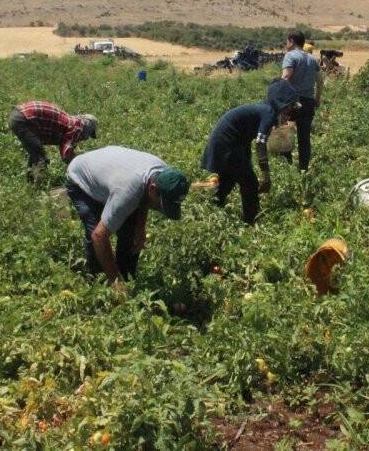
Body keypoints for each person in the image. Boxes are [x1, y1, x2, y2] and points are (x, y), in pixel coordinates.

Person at [65, 146, 189, 291]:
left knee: (130, 233)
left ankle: (127, 277)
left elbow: (145, 197)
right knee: (95, 232)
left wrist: (140, 227)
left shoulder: (165, 175)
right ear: (154, 189)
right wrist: (116, 282)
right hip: (81, 180)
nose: (161, 209)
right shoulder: (127, 191)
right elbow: (99, 237)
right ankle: (99, 285)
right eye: (161, 205)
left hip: (110, 175)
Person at [201, 79, 301, 224]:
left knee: (230, 178)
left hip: (230, 143)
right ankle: (250, 221)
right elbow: (260, 142)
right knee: (249, 183)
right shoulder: (269, 112)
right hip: (227, 144)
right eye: (289, 108)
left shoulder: (266, 109)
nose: (289, 113)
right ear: (281, 103)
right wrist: (266, 175)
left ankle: (212, 211)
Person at [8, 101, 97, 184]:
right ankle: (39, 186)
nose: (85, 138)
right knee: (41, 158)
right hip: (24, 118)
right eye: (88, 135)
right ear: (87, 128)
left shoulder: (71, 122)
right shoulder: (78, 127)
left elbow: (66, 148)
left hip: (20, 115)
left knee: (36, 153)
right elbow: (66, 155)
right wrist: (81, 169)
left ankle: (31, 183)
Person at [281, 31, 323, 171]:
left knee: (285, 132)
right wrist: (317, 99)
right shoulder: (312, 59)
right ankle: (303, 169)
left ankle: (287, 166)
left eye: (287, 41)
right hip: (308, 102)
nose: (286, 44)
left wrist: (279, 98)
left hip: (292, 102)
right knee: (304, 138)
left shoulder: (290, 55)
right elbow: (320, 80)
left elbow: (286, 77)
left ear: (291, 41)